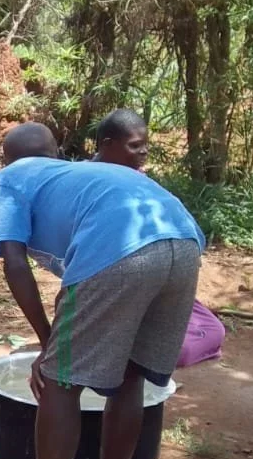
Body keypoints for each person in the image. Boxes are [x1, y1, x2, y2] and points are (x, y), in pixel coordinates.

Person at [0, 122, 205, 459]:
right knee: (131, 375)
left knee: (60, 380)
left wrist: (48, 344)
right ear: (56, 153)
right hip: (185, 244)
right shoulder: (84, 174)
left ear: (5, 159)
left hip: (119, 250)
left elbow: (14, 263)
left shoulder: (9, 178)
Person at [93, 109, 225, 367]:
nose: (144, 152)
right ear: (107, 145)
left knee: (214, 331)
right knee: (176, 350)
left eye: (145, 145)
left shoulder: (140, 179)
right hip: (122, 274)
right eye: (135, 146)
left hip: (161, 269)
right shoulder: (89, 180)